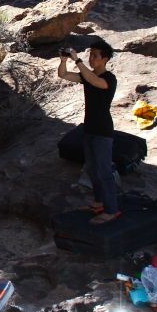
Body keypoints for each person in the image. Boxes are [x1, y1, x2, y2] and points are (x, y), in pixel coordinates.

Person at [57, 39, 119, 225]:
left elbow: (95, 80)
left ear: (105, 59)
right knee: (92, 169)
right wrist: (63, 60)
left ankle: (111, 210)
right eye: (89, 55)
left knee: (104, 171)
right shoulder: (88, 75)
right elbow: (64, 75)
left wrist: (77, 60)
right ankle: (99, 203)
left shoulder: (109, 78)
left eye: (94, 56)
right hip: (89, 128)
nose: (91, 58)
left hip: (102, 130)